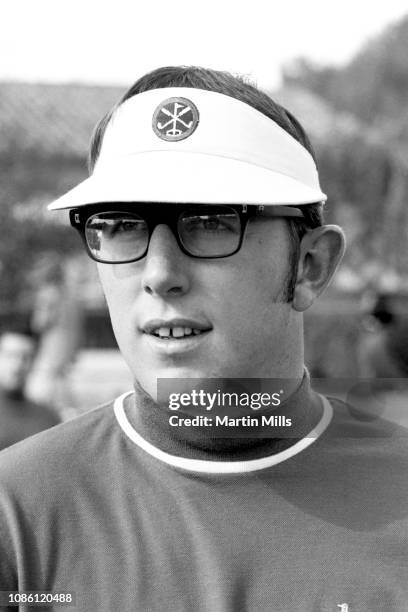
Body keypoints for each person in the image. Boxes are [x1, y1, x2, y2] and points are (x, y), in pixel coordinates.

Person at [0, 66, 407, 611]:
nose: (159, 271)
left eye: (212, 221)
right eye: (120, 225)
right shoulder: (17, 513)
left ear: (310, 265)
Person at [0, 327, 60, 451]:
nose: (17, 365)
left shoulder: (47, 419)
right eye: (10, 355)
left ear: (34, 362)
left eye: (25, 357)